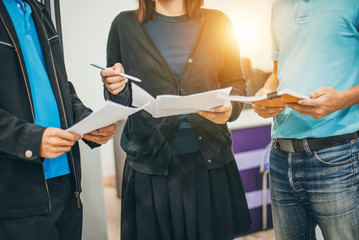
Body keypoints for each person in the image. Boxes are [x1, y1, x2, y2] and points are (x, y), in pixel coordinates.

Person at [101, 0, 251, 239]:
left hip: (209, 165)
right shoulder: (124, 25)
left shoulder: (218, 22)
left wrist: (230, 107)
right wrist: (115, 88)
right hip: (149, 169)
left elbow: (238, 83)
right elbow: (118, 98)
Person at [0, 0, 118, 239]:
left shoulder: (40, 12)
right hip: (15, 190)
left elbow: (60, 86)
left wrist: (87, 120)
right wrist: (31, 139)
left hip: (66, 183)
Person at [253, 1, 359, 239]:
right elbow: (277, 73)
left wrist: (341, 100)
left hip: (337, 155)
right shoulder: (278, 5)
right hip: (281, 155)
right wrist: (265, 94)